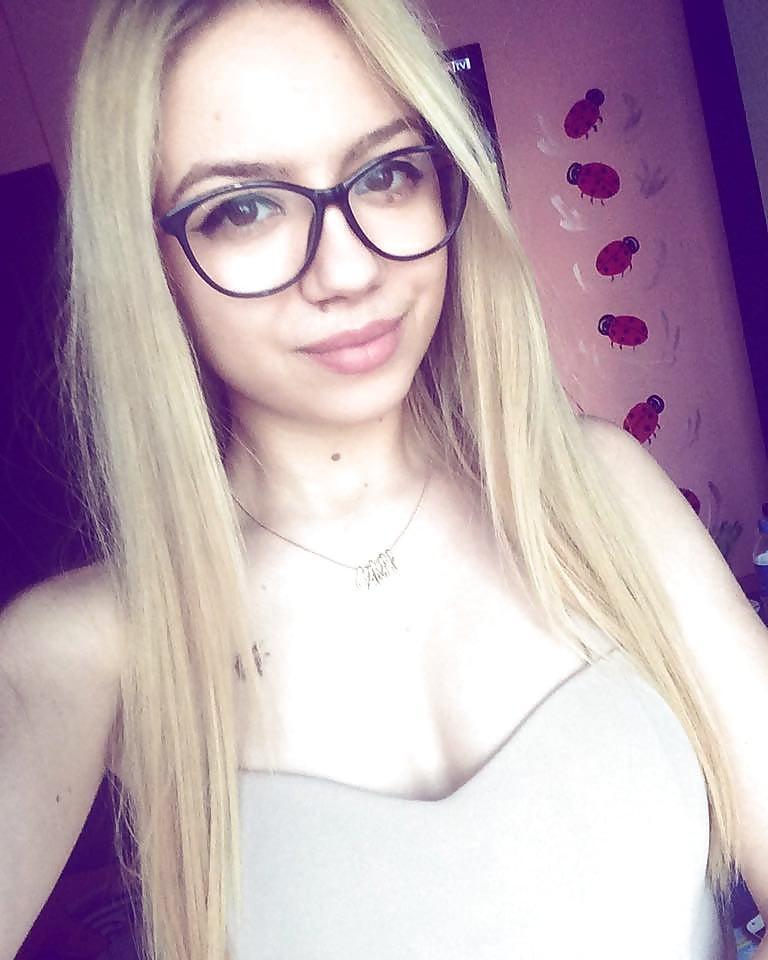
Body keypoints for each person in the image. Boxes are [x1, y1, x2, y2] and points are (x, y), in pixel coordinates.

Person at [2, 0, 767, 958]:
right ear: (145, 263)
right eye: (243, 208)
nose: (349, 268)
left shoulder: (602, 493)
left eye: (387, 172)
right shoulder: (88, 650)